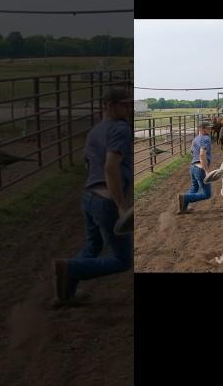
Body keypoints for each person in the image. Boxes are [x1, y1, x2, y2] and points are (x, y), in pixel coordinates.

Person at [53, 88, 133, 305]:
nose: (129, 108)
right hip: (107, 201)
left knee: (92, 246)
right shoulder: (121, 129)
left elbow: (89, 164)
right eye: (125, 104)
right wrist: (121, 205)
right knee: (123, 260)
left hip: (89, 198)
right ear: (110, 105)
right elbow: (110, 167)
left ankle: (65, 294)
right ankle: (71, 269)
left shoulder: (95, 131)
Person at [177, 121, 212, 213]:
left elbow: (191, 151)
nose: (210, 129)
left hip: (193, 167)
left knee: (194, 187)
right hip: (200, 169)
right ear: (203, 129)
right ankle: (185, 197)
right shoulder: (206, 139)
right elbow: (202, 155)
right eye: (208, 128)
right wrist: (206, 170)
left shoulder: (195, 139)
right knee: (207, 194)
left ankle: (184, 208)